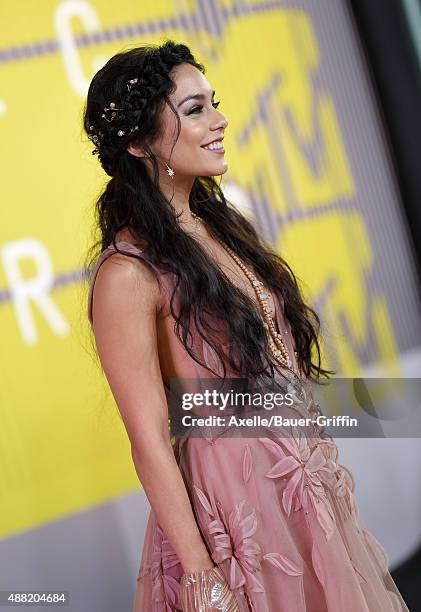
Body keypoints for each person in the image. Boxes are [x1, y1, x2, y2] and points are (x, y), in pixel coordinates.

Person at [83, 40, 410, 611]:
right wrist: (204, 577)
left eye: (214, 103)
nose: (220, 120)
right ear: (138, 144)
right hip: (232, 516)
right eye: (194, 110)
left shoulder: (220, 228)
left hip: (298, 490)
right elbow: (149, 442)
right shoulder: (127, 275)